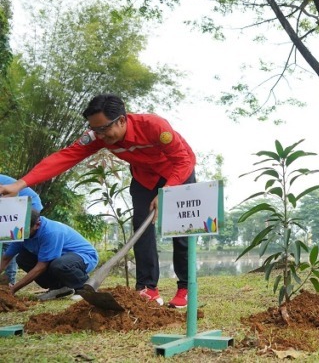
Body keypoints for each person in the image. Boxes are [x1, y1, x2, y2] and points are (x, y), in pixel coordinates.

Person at [0, 94, 196, 308]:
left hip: (178, 173)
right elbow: (64, 158)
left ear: (122, 120)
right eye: (95, 130)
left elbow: (183, 159)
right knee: (142, 229)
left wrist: (167, 190)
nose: (100, 135)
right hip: (144, 178)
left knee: (181, 231)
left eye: (103, 128)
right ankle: (148, 289)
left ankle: (185, 288)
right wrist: (19, 185)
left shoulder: (154, 126)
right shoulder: (97, 135)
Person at [0, 209, 98, 300]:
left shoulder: (50, 232)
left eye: (25, 230)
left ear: (37, 225)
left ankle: (84, 287)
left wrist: (13, 289)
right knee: (22, 258)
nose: (22, 233)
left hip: (84, 256)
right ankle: (59, 288)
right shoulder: (21, 231)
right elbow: (6, 258)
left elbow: (41, 267)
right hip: (59, 259)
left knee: (60, 264)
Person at [0, 174, 44, 287]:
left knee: (8, 241)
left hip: (27, 204)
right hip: (11, 206)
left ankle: (9, 282)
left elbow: (7, 199)